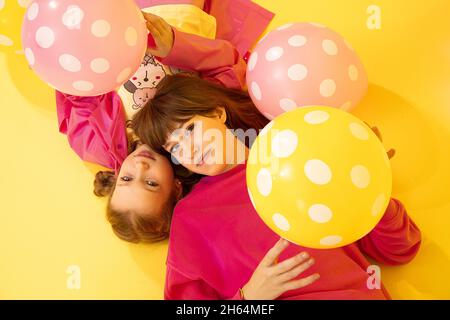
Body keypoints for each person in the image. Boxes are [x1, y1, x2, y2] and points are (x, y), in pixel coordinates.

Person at [131, 74, 422, 299]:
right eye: (175, 147)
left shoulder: (300, 150)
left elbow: (401, 250)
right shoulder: (190, 217)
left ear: (218, 113)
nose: (190, 150)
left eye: (190, 129)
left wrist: (370, 183)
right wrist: (249, 298)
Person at [56, 2, 274, 242]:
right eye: (151, 183)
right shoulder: (195, 138)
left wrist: (95, 47)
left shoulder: (93, 144)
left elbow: (73, 85)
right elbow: (229, 67)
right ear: (176, 187)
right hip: (173, 13)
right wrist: (175, 45)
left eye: (126, 179)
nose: (139, 168)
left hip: (107, 25)